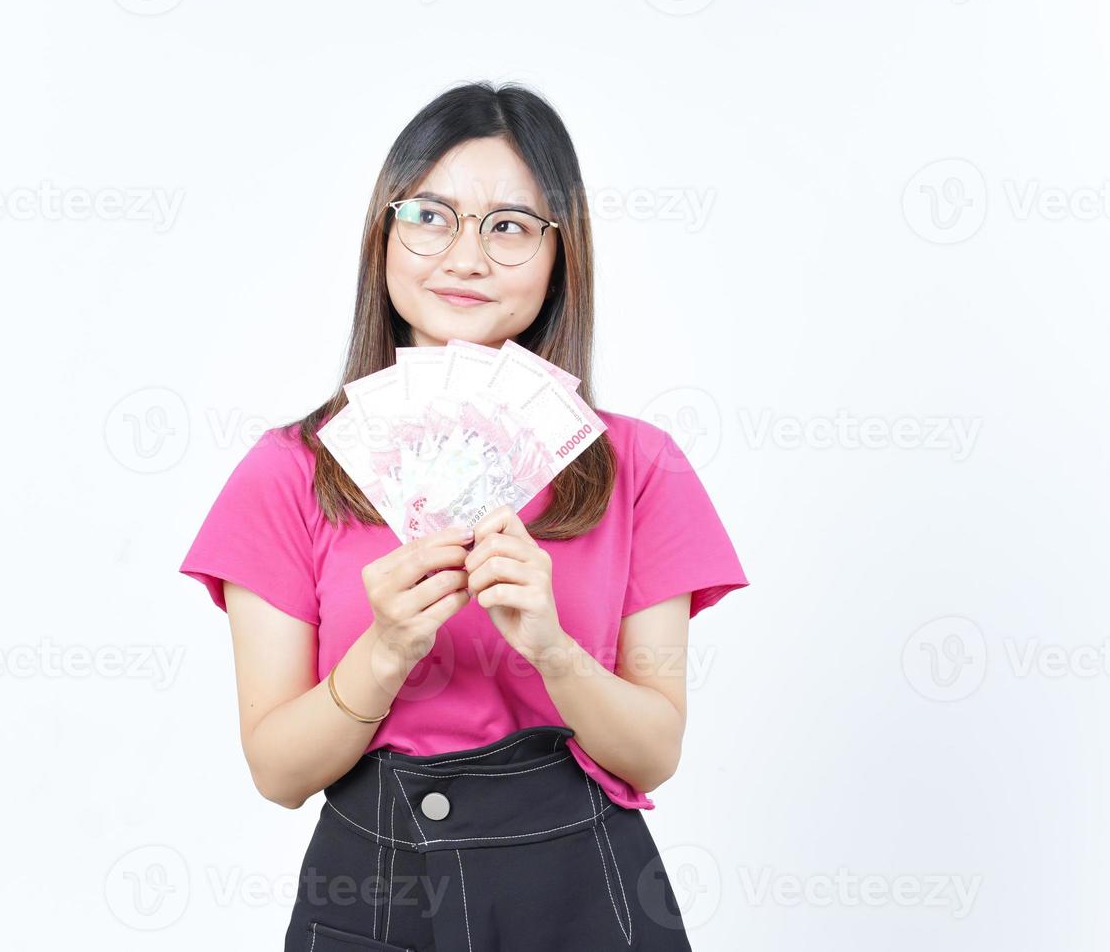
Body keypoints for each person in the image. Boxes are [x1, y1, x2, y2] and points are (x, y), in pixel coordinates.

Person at [179, 80, 749, 951]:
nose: (466, 258)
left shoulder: (640, 466)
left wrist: (553, 649)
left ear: (565, 254)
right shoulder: (289, 472)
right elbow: (278, 771)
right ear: (385, 233)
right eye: (431, 216)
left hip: (583, 893)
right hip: (372, 892)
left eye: (511, 226)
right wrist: (385, 651)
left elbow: (653, 752)